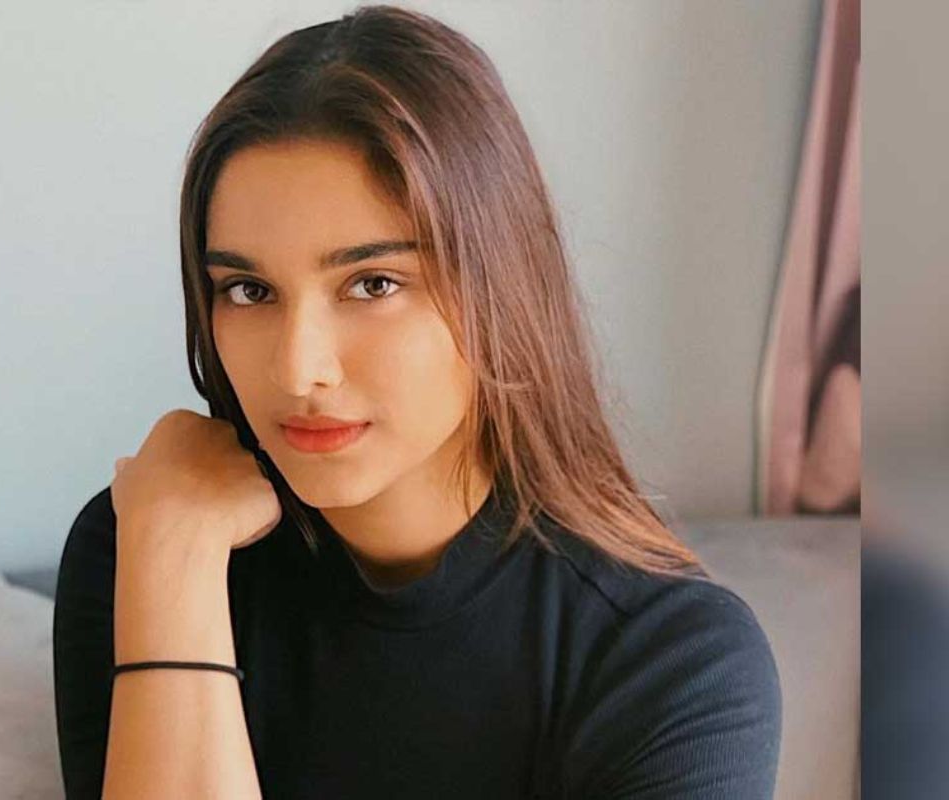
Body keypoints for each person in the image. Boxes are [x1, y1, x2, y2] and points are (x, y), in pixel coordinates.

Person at [52, 5, 782, 798]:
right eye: (249, 289)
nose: (299, 370)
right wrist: (177, 567)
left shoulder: (674, 665)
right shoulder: (147, 544)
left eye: (373, 284)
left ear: (499, 285)